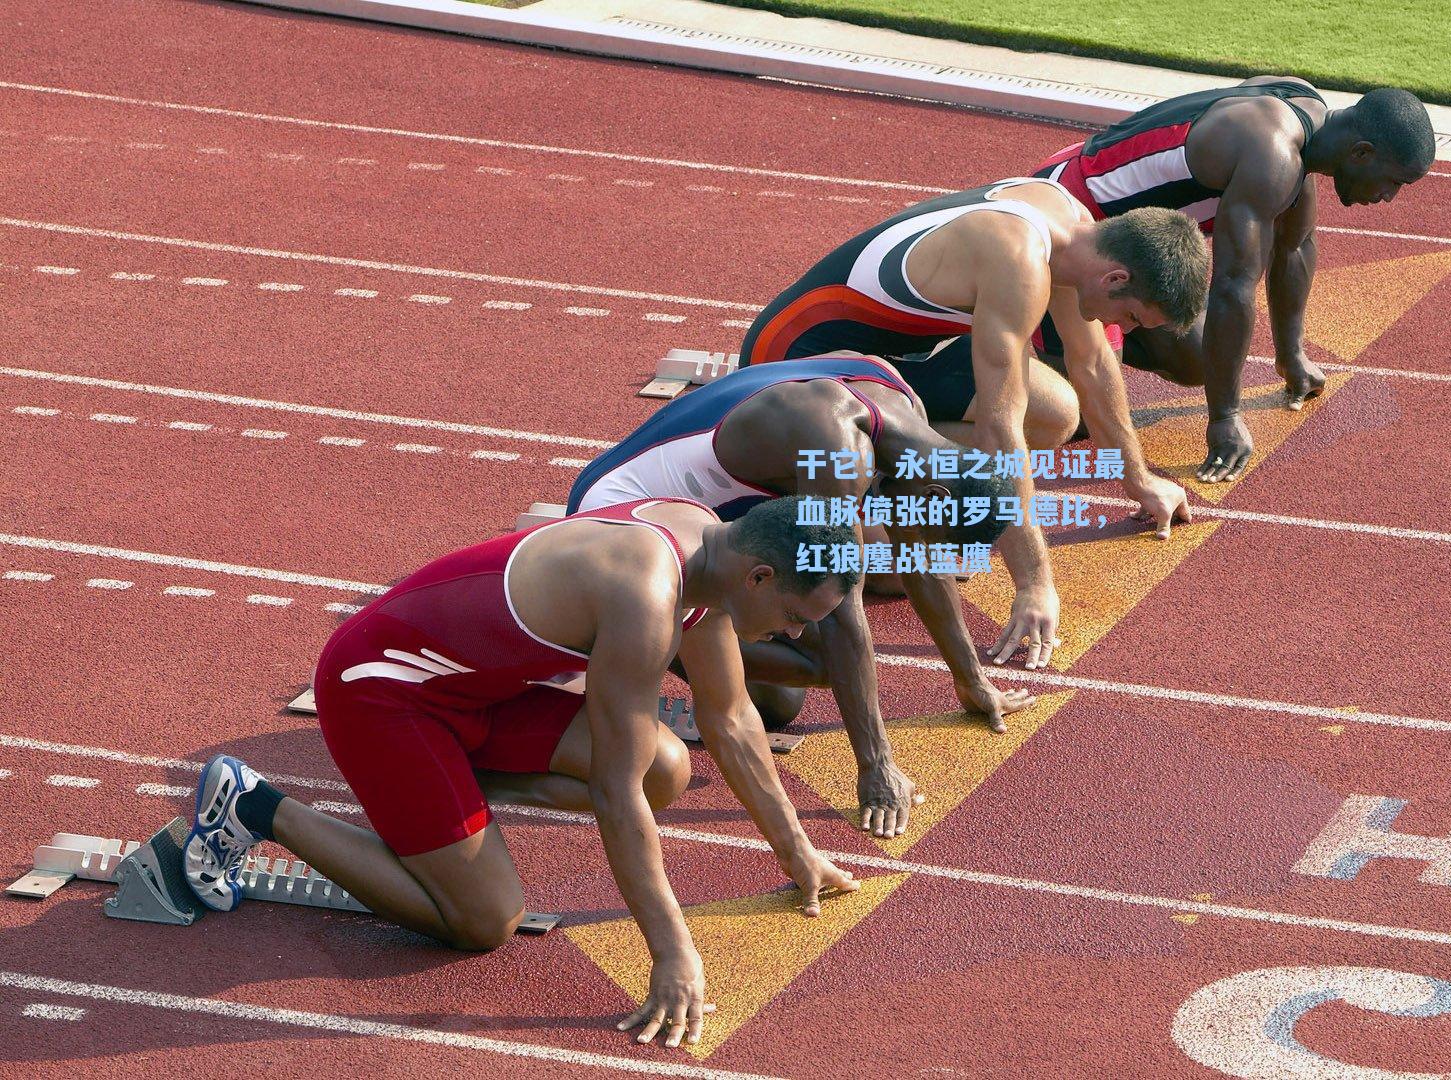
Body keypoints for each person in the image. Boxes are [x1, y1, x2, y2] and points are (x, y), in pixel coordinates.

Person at [183, 496, 860, 1050]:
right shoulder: (646, 596)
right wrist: (673, 952)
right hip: (382, 692)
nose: (797, 637)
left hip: (473, 696)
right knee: (485, 920)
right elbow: (613, 794)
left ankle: (437, 807)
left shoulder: (708, 550)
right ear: (761, 577)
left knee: (667, 767)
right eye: (798, 619)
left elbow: (733, 717)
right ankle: (254, 806)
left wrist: (797, 853)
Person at [567, 352, 1040, 839]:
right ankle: (639, 647)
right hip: (618, 517)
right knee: (810, 672)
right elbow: (841, 612)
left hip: (697, 517)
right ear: (938, 495)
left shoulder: (904, 414)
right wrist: (877, 768)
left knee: (792, 692)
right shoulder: (837, 454)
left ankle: (678, 648)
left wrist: (971, 680)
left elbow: (917, 560)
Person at [739, 176, 1208, 573]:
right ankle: (853, 477)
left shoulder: (1076, 230)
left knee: (1056, 412)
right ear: (1116, 279)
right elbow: (1000, 426)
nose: (1121, 330)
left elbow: (1092, 361)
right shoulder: (1018, 259)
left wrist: (1138, 478)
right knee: (898, 564)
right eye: (1131, 318)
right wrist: (1032, 582)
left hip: (881, 356)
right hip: (790, 363)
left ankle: (881, 470)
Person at [1034, 82, 1435, 482]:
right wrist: (1225, 417)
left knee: (1197, 355)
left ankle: (1084, 337)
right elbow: (1232, 286)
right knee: (1077, 416)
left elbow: (1294, 245)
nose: (1388, 197)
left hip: (1115, 235)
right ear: (1361, 152)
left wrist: (1291, 355)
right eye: (1393, 182)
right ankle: (1015, 336)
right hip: (1071, 219)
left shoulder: (1305, 115)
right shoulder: (1272, 155)